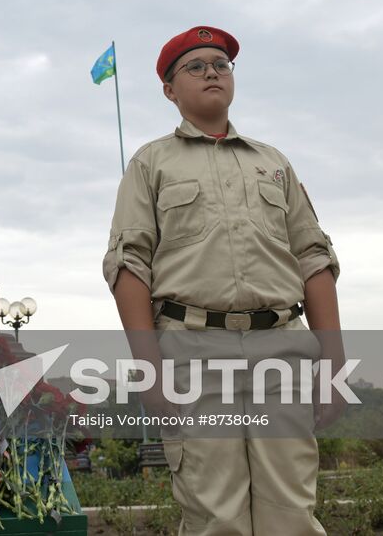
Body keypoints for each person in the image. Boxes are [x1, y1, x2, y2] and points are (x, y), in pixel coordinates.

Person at [102, 27, 344, 536]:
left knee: (292, 511)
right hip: (192, 352)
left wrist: (334, 366)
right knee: (217, 515)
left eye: (221, 64)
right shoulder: (151, 164)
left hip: (282, 350)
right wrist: (149, 369)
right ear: (170, 90)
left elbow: (314, 260)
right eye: (196, 66)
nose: (212, 71)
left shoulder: (273, 164)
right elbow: (129, 266)